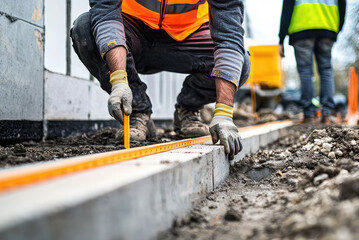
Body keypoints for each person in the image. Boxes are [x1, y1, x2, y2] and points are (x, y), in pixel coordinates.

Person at [71, 0, 250, 159]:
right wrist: (119, 80)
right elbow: (105, 13)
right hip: (132, 31)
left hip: (187, 36)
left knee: (239, 64)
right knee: (85, 29)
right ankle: (137, 110)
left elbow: (229, 38)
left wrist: (224, 113)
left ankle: (187, 111)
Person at [279, 0, 346, 124]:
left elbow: (287, 7)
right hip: (327, 27)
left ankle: (309, 114)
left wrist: (281, 38)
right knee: (326, 70)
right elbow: (342, 4)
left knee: (305, 72)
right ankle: (326, 113)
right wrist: (338, 28)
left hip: (301, 28)